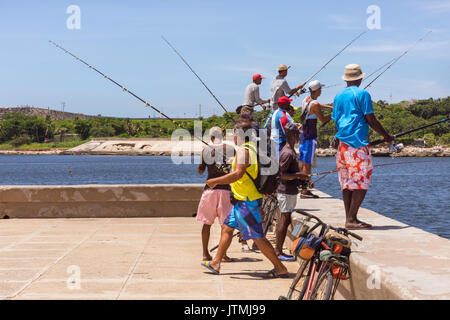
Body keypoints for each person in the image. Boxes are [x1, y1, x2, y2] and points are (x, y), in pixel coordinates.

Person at [201, 118, 289, 278]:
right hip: (243, 200)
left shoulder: (243, 150)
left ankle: (280, 267)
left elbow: (238, 174)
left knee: (257, 236)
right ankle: (216, 262)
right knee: (227, 228)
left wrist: (215, 181)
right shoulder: (251, 148)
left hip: (246, 201)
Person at [332, 64, 393, 230]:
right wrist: (386, 136)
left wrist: (338, 137)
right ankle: (352, 219)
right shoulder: (363, 94)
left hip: (342, 146)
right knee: (361, 182)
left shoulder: (338, 96)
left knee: (347, 183)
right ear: (360, 78)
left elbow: (336, 120)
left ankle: (349, 218)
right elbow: (371, 119)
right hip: (357, 144)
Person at [196, 127, 235, 261]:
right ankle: (223, 254)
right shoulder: (230, 150)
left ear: (211, 138)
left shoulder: (206, 151)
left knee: (206, 223)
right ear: (222, 136)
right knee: (226, 225)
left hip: (210, 190)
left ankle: (205, 254)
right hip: (225, 190)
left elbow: (200, 171)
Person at [275, 122, 309, 261]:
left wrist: (302, 179)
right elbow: (281, 175)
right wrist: (298, 176)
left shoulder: (290, 150)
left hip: (290, 191)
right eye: (298, 135)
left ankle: (280, 249)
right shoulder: (288, 153)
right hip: (285, 192)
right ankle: (278, 251)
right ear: (294, 135)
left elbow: (290, 172)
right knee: (283, 220)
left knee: (286, 219)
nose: (299, 137)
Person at [298, 80, 334, 198]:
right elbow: (323, 120)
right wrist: (334, 114)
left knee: (304, 162)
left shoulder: (306, 100)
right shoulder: (315, 104)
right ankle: (305, 190)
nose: (321, 90)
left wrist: (330, 107)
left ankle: (303, 186)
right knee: (308, 164)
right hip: (310, 136)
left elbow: (316, 105)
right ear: (317, 90)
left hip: (303, 135)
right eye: (320, 89)